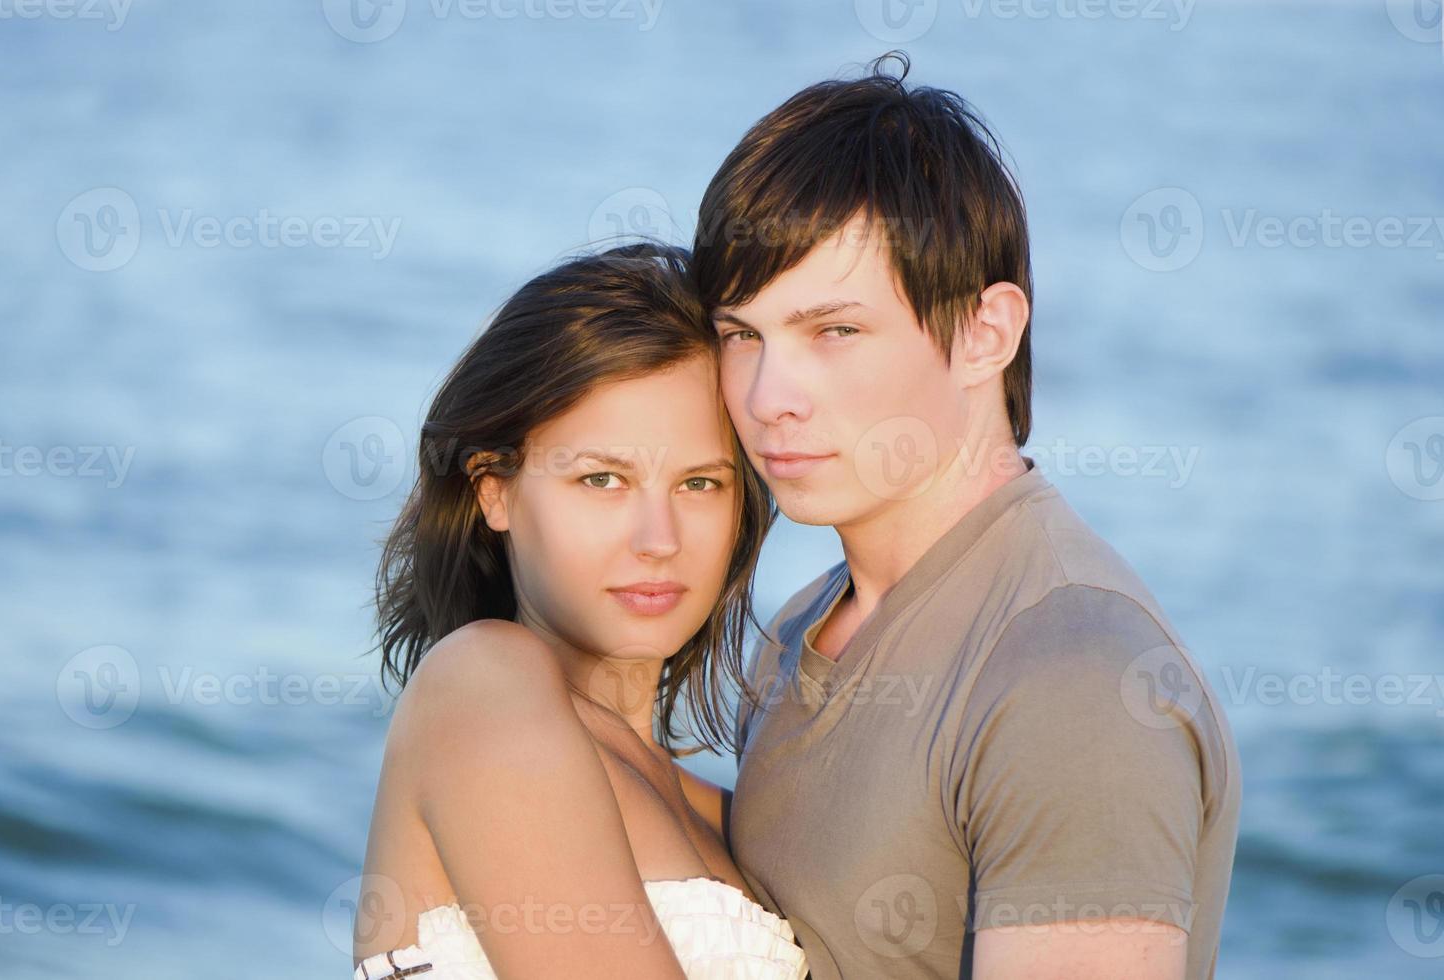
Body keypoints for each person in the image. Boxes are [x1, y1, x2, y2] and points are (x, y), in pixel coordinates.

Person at [692, 53, 1242, 979]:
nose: (768, 396)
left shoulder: (1073, 677)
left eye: (835, 331)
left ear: (986, 333)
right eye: (741, 335)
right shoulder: (801, 626)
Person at [352, 244, 806, 979]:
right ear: (493, 490)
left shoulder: (729, 815)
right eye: (602, 479)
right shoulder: (481, 684)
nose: (660, 541)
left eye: (700, 484)